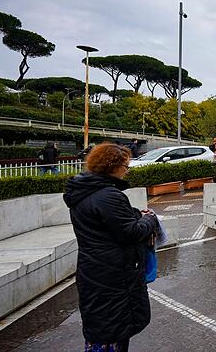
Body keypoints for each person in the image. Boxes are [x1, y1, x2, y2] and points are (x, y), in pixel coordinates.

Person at [64, 143, 159, 352]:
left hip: (95, 270)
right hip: (113, 275)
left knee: (103, 329)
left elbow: (109, 222)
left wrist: (135, 214)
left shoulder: (84, 192)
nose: (127, 170)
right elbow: (131, 231)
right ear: (112, 166)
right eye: (125, 166)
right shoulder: (108, 195)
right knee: (113, 330)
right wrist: (150, 220)